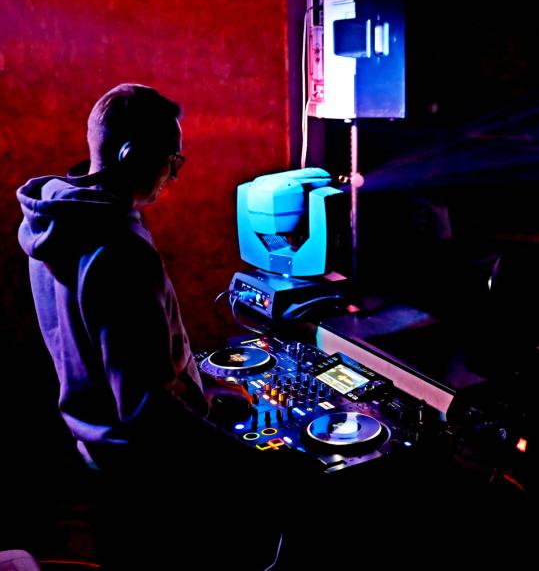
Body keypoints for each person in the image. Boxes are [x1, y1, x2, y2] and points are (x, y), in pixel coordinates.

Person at [17, 84, 320, 569]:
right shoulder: (119, 250)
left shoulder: (56, 221)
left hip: (101, 458)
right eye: (172, 160)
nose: (175, 174)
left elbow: (101, 359)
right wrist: (249, 462)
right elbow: (146, 412)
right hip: (147, 475)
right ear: (130, 155)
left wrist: (202, 389)